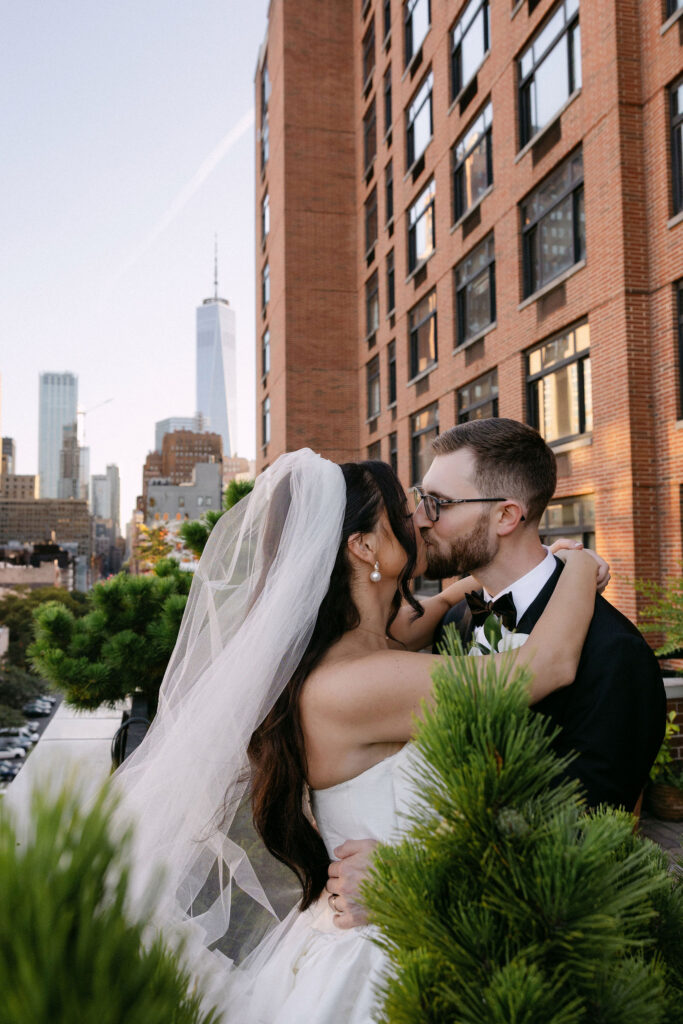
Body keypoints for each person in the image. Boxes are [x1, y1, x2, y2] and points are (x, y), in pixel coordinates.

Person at [113, 448, 601, 1024]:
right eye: (404, 508)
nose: (420, 518)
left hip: (372, 920)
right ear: (365, 547)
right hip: (384, 950)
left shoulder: (360, 652)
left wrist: (454, 588)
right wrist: (580, 567)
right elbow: (544, 669)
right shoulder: (362, 682)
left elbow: (406, 627)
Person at [327, 420, 666, 934]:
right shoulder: (452, 620)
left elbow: (585, 836)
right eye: (420, 499)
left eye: (438, 503)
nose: (418, 519)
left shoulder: (614, 653)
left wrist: (411, 870)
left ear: (507, 515)